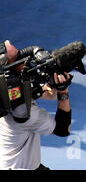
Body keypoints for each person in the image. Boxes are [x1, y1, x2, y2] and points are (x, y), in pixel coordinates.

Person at [0, 40, 72, 170]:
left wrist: (52, 80)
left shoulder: (8, 93)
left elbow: (47, 94)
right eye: (19, 57)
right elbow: (63, 130)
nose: (24, 59)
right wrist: (63, 91)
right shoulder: (23, 112)